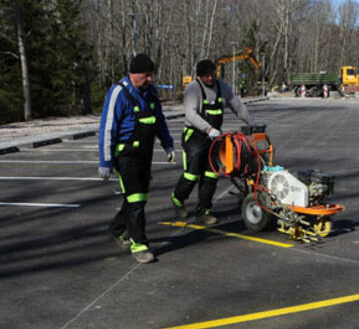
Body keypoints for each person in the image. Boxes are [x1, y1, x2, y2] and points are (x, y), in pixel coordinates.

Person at [98, 53, 175, 263]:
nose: (150, 79)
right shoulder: (118, 93)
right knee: (136, 199)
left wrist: (168, 144)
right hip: (126, 156)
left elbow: (159, 120)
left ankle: (117, 228)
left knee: (138, 198)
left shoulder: (150, 92)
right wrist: (105, 162)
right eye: (146, 75)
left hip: (145, 154)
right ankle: (139, 244)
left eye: (151, 75)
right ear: (134, 73)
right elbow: (107, 129)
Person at [171, 59, 252, 225]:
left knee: (211, 174)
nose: (210, 79)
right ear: (200, 77)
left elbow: (237, 105)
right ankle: (178, 198)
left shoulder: (222, 87)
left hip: (215, 137)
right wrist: (208, 129)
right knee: (192, 174)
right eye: (206, 76)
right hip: (195, 135)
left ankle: (204, 211)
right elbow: (190, 114)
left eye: (212, 75)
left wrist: (252, 123)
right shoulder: (193, 89)